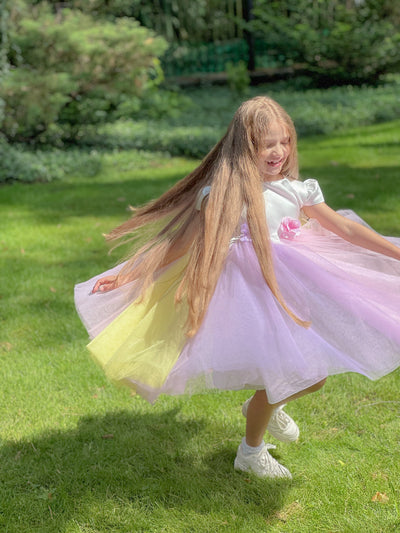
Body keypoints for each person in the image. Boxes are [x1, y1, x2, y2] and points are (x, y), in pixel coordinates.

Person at [75, 96, 400, 480]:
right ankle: (251, 452)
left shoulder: (298, 191)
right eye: (267, 145)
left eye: (285, 142)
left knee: (312, 377)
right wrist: (130, 274)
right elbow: (181, 244)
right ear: (245, 148)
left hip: (292, 286)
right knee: (292, 373)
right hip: (248, 295)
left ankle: (262, 408)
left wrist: (393, 251)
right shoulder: (222, 195)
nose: (278, 152)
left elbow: (344, 228)